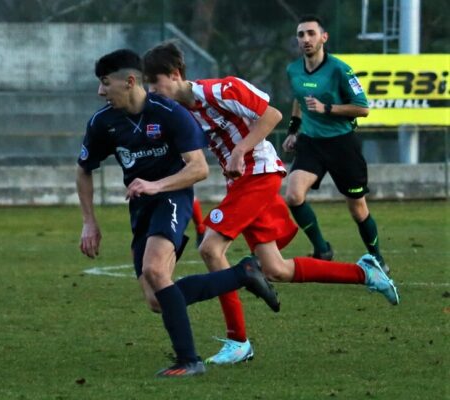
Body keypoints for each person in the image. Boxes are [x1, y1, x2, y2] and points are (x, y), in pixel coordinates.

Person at [143, 41, 399, 365]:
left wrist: (240, 150)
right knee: (277, 269)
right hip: (241, 182)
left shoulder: (222, 89)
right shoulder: (181, 114)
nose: (152, 91)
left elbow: (272, 114)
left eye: (155, 82)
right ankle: (364, 273)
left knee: (210, 249)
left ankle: (238, 341)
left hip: (259, 174)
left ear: (176, 74)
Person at [76, 49, 279, 377]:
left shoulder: (171, 114)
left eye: (104, 83)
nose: (100, 91)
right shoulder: (103, 122)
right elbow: (83, 169)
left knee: (156, 271)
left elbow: (198, 169)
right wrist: (89, 221)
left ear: (129, 81)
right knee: (158, 300)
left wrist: (157, 186)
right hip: (140, 206)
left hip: (172, 198)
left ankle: (189, 361)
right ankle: (242, 273)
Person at [283, 15, 389, 273]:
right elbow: (299, 99)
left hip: (342, 144)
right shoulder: (293, 70)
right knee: (294, 195)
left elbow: (363, 109)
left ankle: (377, 259)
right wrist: (293, 130)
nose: (305, 39)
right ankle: (322, 248)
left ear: (323, 37)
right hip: (311, 143)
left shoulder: (340, 69)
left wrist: (327, 108)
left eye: (311, 33)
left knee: (357, 207)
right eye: (301, 35)